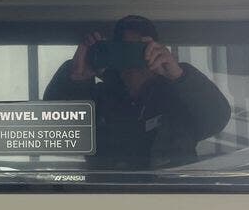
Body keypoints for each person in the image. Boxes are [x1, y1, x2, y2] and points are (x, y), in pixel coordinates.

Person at [43, 15, 231, 169]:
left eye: (139, 50)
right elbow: (54, 131)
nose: (131, 58)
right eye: (123, 50)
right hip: (104, 197)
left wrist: (180, 76)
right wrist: (76, 77)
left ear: (156, 50)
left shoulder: (179, 98)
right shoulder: (96, 100)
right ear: (112, 54)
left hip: (173, 197)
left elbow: (217, 118)